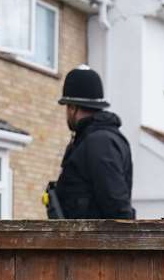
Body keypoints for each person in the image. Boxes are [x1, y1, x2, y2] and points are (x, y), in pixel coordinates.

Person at [49, 66, 134, 219]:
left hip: (94, 242)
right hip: (82, 241)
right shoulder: (92, 140)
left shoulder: (100, 143)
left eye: (67, 107)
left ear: (73, 108)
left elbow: (117, 207)